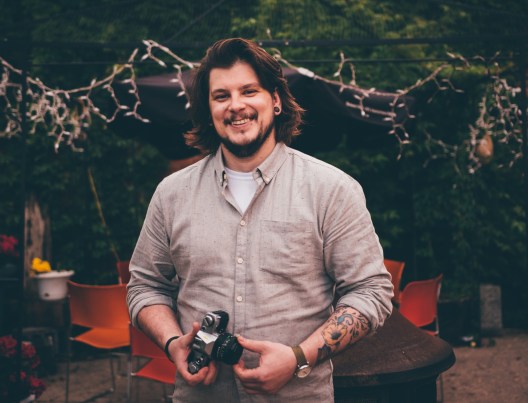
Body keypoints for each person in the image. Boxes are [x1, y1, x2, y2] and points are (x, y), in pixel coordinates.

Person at [127, 37, 393, 402]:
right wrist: (174, 343)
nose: (236, 105)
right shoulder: (171, 194)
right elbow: (145, 286)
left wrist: (298, 357)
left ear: (276, 100)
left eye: (249, 91)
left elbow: (371, 292)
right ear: (209, 109)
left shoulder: (332, 190)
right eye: (221, 96)